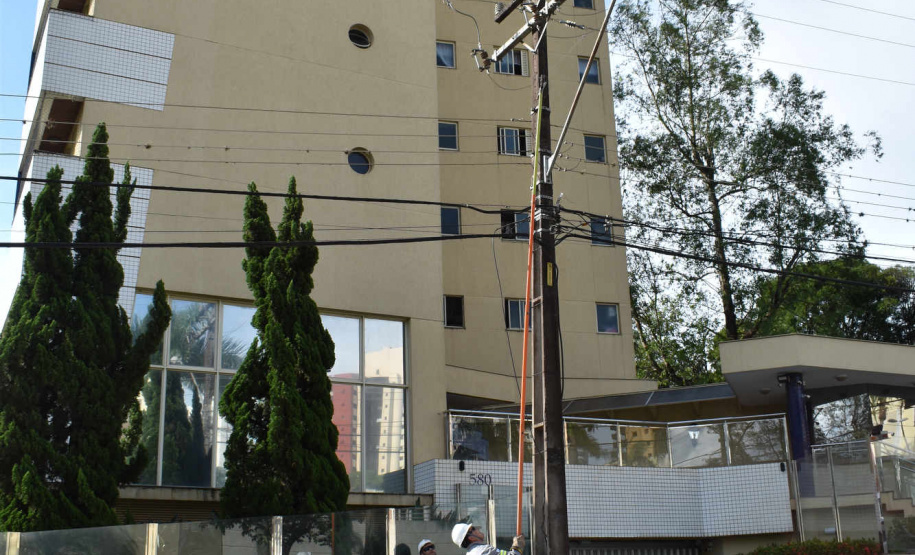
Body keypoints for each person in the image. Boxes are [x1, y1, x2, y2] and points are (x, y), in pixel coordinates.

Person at [451, 523, 524, 555]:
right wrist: (517, 547)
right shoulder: (485, 550)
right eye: (473, 529)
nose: (477, 529)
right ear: (471, 538)